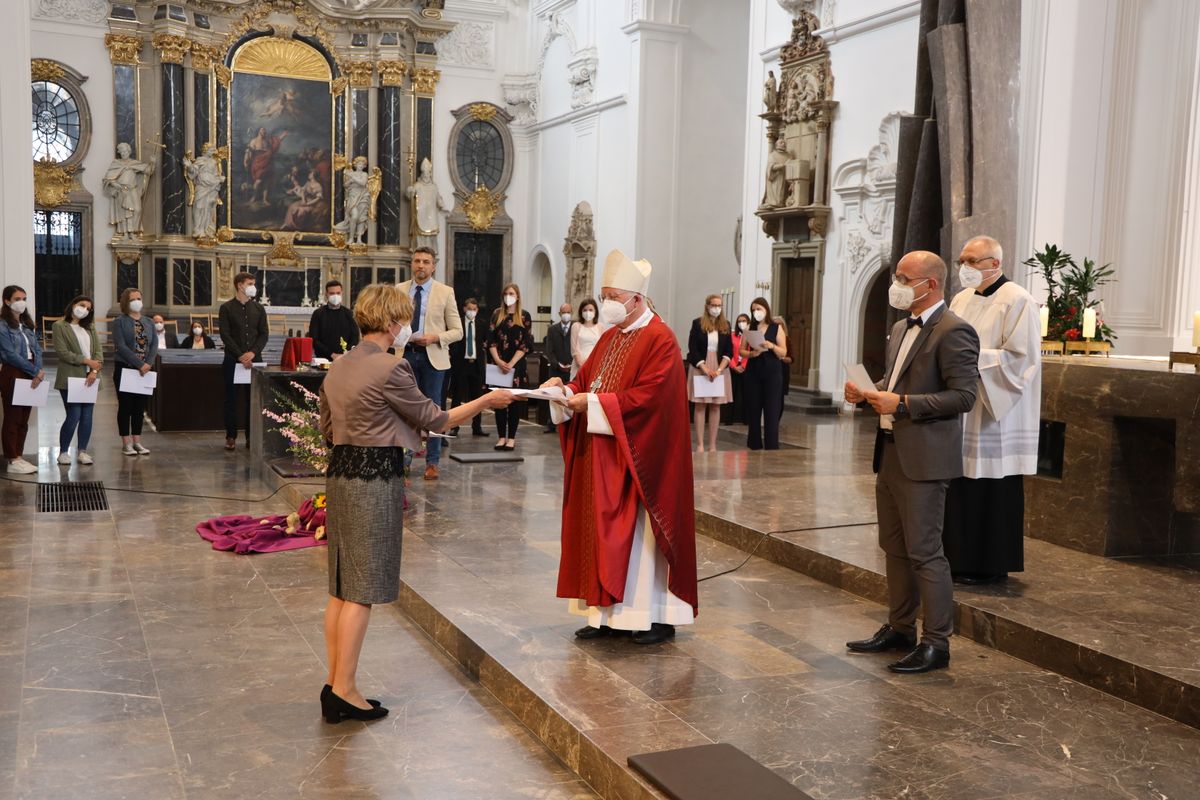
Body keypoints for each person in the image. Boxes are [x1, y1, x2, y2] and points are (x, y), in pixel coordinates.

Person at [318, 283, 513, 723]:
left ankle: (336, 683)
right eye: (404, 320)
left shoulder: (338, 366)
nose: (407, 327)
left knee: (341, 586)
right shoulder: (394, 368)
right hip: (374, 478)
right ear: (391, 323)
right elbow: (436, 419)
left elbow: (328, 429)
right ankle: (345, 690)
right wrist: (486, 400)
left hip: (342, 473)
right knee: (363, 591)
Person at [543, 249, 698, 646]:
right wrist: (563, 391)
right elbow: (587, 380)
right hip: (602, 452)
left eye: (613, 296)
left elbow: (651, 400)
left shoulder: (660, 338)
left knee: (641, 540)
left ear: (636, 299)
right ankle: (605, 615)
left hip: (642, 457)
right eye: (605, 294)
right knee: (600, 532)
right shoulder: (612, 336)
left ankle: (655, 617)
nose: (607, 303)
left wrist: (591, 403)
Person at [844, 250, 980, 674]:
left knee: (925, 552)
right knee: (894, 547)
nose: (897, 285)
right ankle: (900, 627)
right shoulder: (902, 326)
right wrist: (869, 393)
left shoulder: (955, 331)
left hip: (925, 460)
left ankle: (936, 643)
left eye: (904, 278)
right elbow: (898, 381)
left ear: (931, 285)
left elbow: (964, 397)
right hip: (891, 453)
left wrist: (901, 402)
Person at [945, 235, 1042, 585]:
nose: (964, 268)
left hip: (995, 410)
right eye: (962, 261)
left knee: (990, 488)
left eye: (972, 261)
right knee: (961, 484)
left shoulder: (1018, 300)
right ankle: (957, 556)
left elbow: (1021, 359)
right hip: (964, 406)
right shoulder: (960, 299)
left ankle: (989, 564)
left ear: (995, 264)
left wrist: (970, 360)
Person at [396, 246, 462, 480]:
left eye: (425, 261)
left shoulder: (445, 292)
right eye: (416, 261)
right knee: (403, 408)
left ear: (433, 266)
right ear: (411, 264)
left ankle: (432, 461)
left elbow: (457, 331)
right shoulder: (399, 290)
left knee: (434, 408)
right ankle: (403, 460)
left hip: (432, 355)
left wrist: (435, 337)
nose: (420, 265)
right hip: (405, 354)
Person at [219, 272, 269, 451]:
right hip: (233, 360)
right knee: (231, 400)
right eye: (250, 283)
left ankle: (251, 437)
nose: (253, 286)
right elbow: (225, 335)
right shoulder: (226, 308)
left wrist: (253, 353)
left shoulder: (259, 309)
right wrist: (240, 355)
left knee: (252, 400)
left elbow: (264, 334)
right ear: (240, 285)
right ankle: (231, 436)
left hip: (254, 361)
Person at [52, 296, 102, 465]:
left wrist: (94, 370)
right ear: (73, 305)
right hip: (70, 377)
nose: (85, 310)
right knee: (74, 415)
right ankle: (63, 452)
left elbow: (98, 353)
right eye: (82, 305)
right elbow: (63, 352)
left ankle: (82, 451)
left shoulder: (90, 328)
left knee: (87, 416)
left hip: (90, 377)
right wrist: (87, 361)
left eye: (88, 308)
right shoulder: (59, 326)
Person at [0, 286, 44, 473]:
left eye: (24, 298)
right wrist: (34, 370)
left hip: (32, 371)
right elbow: (9, 354)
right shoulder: (2, 325)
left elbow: (38, 349)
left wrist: (39, 370)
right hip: (14, 371)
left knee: (24, 418)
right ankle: (12, 459)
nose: (22, 302)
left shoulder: (26, 325)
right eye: (18, 298)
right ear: (7, 301)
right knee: (13, 417)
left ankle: (19, 455)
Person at [112, 288, 159, 456]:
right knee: (125, 406)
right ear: (126, 302)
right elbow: (121, 346)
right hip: (126, 368)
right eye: (133, 299)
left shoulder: (148, 321)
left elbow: (154, 344)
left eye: (139, 298)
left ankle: (137, 441)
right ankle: (126, 443)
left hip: (145, 370)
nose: (137, 301)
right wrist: (139, 364)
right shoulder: (119, 321)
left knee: (140, 408)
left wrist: (148, 363)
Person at [487, 283, 533, 450]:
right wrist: (499, 361)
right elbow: (490, 340)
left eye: (512, 293)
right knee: (499, 403)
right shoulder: (497, 315)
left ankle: (511, 438)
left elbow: (526, 343)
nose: (508, 296)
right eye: (506, 293)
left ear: (518, 296)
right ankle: (500, 437)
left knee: (514, 403)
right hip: (498, 364)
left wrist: (511, 364)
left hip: (517, 365)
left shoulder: (525, 316)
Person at [686, 294, 733, 453]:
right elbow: (692, 349)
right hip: (701, 366)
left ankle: (712, 445)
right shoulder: (697, 323)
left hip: (719, 368)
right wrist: (705, 368)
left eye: (719, 306)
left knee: (715, 406)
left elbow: (728, 351)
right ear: (707, 306)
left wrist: (719, 370)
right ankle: (699, 444)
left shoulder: (725, 325)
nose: (717, 309)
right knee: (700, 406)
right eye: (714, 305)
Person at [739, 297, 787, 450]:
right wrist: (752, 354)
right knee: (753, 409)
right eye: (753, 310)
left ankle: (772, 445)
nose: (756, 312)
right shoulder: (749, 329)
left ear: (766, 309)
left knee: (772, 410)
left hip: (772, 373)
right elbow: (741, 350)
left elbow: (783, 352)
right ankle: (754, 444)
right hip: (754, 371)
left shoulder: (776, 328)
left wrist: (771, 345)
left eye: (759, 309)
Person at [448, 297, 488, 437]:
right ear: (464, 309)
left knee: (477, 398)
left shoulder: (482, 324)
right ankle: (454, 426)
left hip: (476, 365)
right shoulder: (457, 323)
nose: (472, 312)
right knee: (457, 396)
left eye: (474, 309)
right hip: (461, 364)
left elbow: (485, 343)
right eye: (469, 309)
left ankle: (477, 427)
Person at [308, 280, 359, 361]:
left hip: (345, 358)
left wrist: (345, 353)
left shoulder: (349, 313)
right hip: (323, 359)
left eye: (338, 293)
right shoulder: (318, 314)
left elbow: (355, 337)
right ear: (326, 294)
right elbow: (314, 339)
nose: (335, 296)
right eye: (332, 293)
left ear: (342, 293)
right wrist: (331, 354)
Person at [543, 303, 574, 433]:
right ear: (560, 314)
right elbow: (549, 350)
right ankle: (551, 423)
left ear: (571, 313)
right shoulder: (552, 329)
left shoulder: (576, 327)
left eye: (568, 312)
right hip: (556, 368)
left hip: (572, 368)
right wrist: (558, 364)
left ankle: (570, 422)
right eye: (563, 312)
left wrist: (572, 364)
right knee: (554, 395)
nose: (566, 314)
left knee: (571, 395)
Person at [722, 313, 750, 425]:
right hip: (733, 367)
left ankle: (746, 419)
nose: (741, 323)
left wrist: (743, 365)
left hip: (745, 368)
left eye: (744, 321)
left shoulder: (750, 335)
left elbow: (750, 351)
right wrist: (734, 366)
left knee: (746, 394)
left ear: (748, 323)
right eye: (739, 321)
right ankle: (729, 419)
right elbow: (728, 351)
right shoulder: (732, 335)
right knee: (731, 393)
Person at [569, 297, 606, 376]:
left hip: (596, 365)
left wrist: (593, 364)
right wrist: (582, 365)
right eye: (585, 310)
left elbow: (603, 348)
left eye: (590, 310)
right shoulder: (576, 326)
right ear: (581, 312)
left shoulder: (600, 327)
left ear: (595, 311)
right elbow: (574, 350)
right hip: (579, 366)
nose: (588, 312)